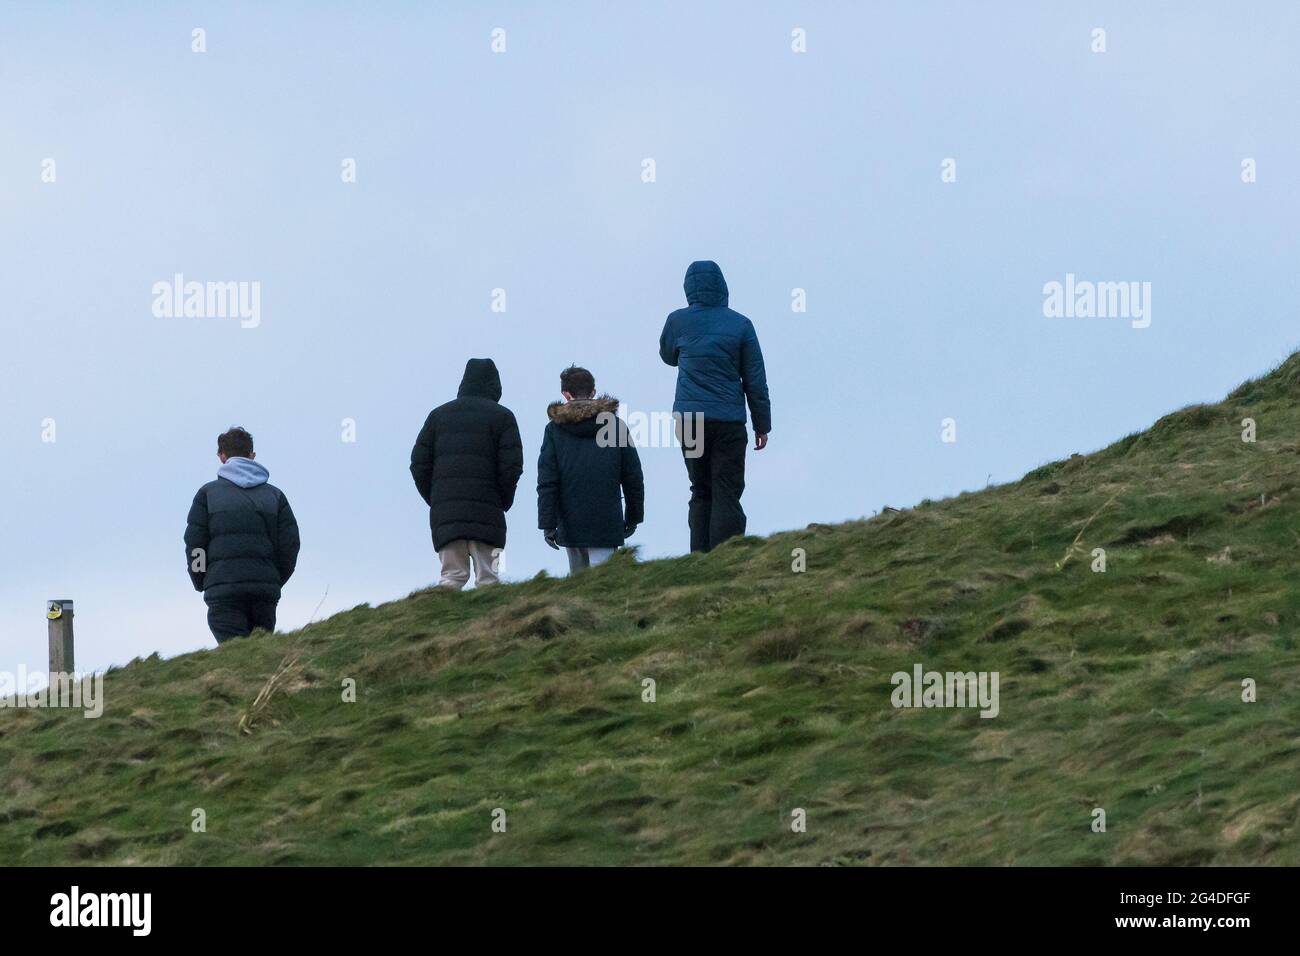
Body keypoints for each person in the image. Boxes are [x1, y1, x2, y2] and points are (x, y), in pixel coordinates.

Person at [659, 260, 771, 552]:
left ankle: (698, 557)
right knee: (726, 490)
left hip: (690, 422)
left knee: (700, 488)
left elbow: (668, 355)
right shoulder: (741, 324)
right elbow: (755, 380)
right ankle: (727, 556)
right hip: (728, 422)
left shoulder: (676, 321)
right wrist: (762, 424)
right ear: (722, 286)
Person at [410, 358, 523, 589]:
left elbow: (418, 464)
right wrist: (502, 499)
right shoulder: (503, 417)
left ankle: (443, 623)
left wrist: (437, 499)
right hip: (488, 513)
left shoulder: (438, 416)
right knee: (489, 580)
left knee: (451, 578)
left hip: (447, 516)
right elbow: (511, 467)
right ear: (495, 386)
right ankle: (496, 625)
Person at [184, 426, 301, 644]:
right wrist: (273, 578)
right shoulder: (275, 496)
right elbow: (290, 546)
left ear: (222, 456)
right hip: (264, 591)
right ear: (252, 455)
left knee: (235, 658)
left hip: (223, 589)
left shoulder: (207, 494)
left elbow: (196, 546)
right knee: (259, 654)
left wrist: (202, 579)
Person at [537, 365, 644, 573]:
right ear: (593, 392)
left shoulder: (554, 430)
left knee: (579, 587)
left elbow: (547, 481)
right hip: (606, 520)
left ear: (565, 395)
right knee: (605, 584)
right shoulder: (615, 425)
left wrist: (548, 524)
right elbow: (633, 477)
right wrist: (633, 516)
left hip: (570, 521)